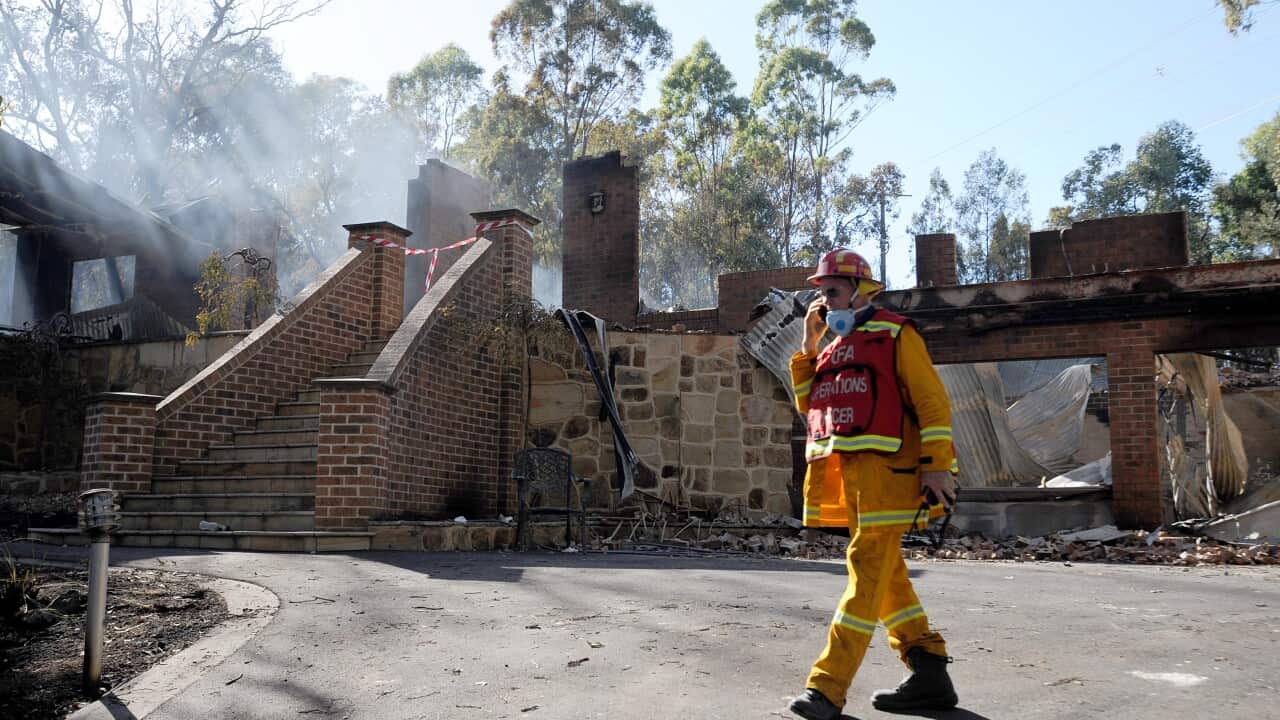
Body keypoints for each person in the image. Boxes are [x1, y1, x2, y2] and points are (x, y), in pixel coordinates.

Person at [787, 249, 960, 720]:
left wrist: (937, 466)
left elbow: (932, 404)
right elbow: (812, 407)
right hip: (854, 480)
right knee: (888, 577)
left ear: (861, 290)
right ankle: (929, 671)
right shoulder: (830, 347)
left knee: (866, 574)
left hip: (891, 478)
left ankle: (826, 688)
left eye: (832, 291)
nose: (824, 301)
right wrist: (807, 345)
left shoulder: (895, 334)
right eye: (820, 294)